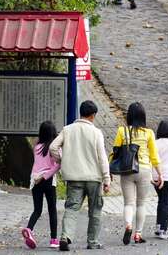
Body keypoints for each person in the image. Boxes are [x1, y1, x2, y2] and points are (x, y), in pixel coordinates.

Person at [50, 101, 111, 251]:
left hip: (74, 177)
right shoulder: (96, 132)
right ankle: (93, 241)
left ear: (81, 113)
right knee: (95, 210)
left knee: (71, 208)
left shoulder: (67, 129)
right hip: (94, 178)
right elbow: (102, 157)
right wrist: (106, 178)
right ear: (93, 115)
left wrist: (62, 160)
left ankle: (65, 236)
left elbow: (53, 147)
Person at [113, 102, 163, 245]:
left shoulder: (122, 131)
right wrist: (160, 174)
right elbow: (154, 156)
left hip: (127, 170)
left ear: (129, 115)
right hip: (144, 170)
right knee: (141, 203)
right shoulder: (149, 133)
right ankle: (138, 235)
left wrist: (109, 170)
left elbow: (115, 151)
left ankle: (128, 225)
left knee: (128, 203)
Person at [21, 121, 61, 249]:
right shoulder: (54, 148)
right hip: (47, 180)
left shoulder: (36, 146)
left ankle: (29, 228)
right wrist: (45, 177)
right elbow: (57, 165)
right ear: (53, 133)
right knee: (52, 210)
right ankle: (54, 240)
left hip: (35, 179)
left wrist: (38, 178)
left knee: (37, 210)